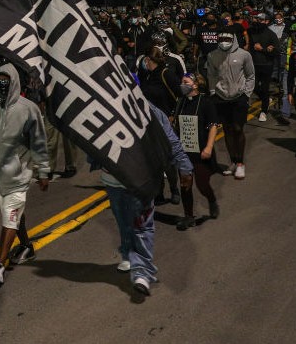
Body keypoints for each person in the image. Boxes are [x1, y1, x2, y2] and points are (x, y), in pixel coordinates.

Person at [102, 104, 192, 296]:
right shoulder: (100, 104)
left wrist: (184, 165)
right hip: (112, 180)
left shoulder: (148, 109)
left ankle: (142, 271)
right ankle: (127, 253)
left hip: (141, 179)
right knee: (123, 220)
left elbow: (170, 139)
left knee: (142, 224)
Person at [0, 63, 50, 284]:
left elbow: (39, 142)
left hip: (18, 177)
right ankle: (26, 246)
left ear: (14, 81)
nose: (1, 84)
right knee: (14, 216)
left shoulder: (28, 109)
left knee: (10, 218)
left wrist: (43, 171)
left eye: (5, 80)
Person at [173, 73, 220, 230]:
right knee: (185, 185)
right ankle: (188, 216)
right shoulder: (181, 102)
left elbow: (213, 125)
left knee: (202, 184)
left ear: (195, 85)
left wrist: (209, 147)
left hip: (201, 151)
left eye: (185, 81)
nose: (182, 84)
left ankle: (211, 200)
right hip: (184, 151)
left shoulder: (206, 103)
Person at [206, 31, 255, 179]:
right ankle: (233, 161)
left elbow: (250, 75)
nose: (223, 41)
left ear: (233, 39)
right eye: (221, 39)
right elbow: (211, 74)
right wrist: (213, 91)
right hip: (221, 97)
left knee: (238, 129)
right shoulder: (212, 55)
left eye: (227, 39)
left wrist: (247, 94)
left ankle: (240, 163)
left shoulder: (244, 55)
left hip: (239, 97)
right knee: (227, 130)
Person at [246, 11, 279, 122]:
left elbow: (276, 51)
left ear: (267, 21)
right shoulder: (252, 32)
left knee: (265, 89)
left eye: (260, 20)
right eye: (256, 19)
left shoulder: (271, 34)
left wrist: (263, 49)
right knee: (253, 87)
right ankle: (266, 98)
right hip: (253, 64)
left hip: (266, 65)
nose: (257, 21)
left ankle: (264, 111)